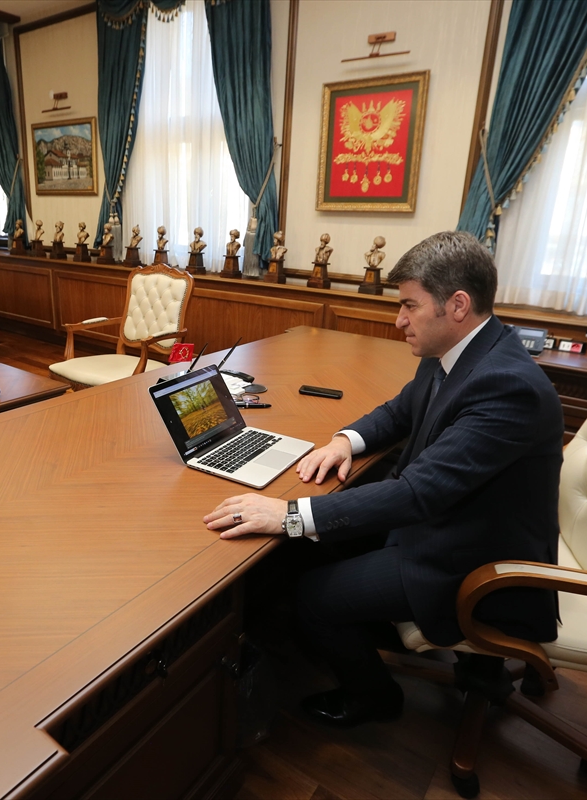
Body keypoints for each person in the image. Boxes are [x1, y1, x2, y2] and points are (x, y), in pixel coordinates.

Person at [203, 230, 563, 727]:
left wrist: (285, 515)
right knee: (308, 548)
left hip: (476, 561)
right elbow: (399, 412)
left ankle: (374, 696)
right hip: (453, 521)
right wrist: (343, 441)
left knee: (311, 593)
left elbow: (419, 493)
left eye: (409, 306)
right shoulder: (463, 351)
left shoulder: (507, 386)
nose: (399, 320)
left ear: (457, 305)